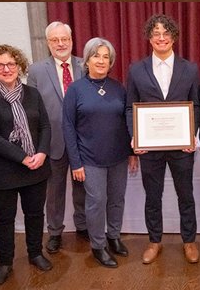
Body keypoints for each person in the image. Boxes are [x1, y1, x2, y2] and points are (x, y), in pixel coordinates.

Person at [126, 14, 200, 264]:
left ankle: (189, 241)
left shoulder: (190, 69)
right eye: (156, 33)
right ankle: (154, 241)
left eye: (166, 33)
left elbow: (196, 106)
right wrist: (135, 136)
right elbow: (129, 108)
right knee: (152, 197)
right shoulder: (136, 70)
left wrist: (192, 135)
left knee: (186, 195)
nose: (161, 38)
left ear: (174, 37)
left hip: (182, 148)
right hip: (150, 149)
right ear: (149, 38)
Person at [0, 44, 52, 284]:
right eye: (0, 65)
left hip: (36, 168)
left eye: (11, 64)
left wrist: (42, 152)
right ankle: (5, 262)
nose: (6, 69)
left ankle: (35, 253)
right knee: (4, 220)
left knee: (35, 214)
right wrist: (23, 157)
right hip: (2, 172)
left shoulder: (33, 94)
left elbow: (45, 126)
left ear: (19, 66)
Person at [63, 37, 136, 268]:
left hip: (118, 156)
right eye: (96, 56)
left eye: (106, 57)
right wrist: (75, 163)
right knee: (96, 202)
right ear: (87, 60)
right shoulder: (75, 89)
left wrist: (132, 152)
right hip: (89, 159)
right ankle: (98, 245)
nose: (101, 61)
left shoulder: (118, 88)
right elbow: (68, 127)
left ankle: (113, 236)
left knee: (116, 199)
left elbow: (127, 122)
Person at [25, 21, 87, 254]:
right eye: (55, 40)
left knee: (83, 187)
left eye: (65, 39)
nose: (61, 44)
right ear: (48, 43)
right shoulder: (36, 71)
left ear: (71, 40)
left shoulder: (86, 65)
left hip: (83, 141)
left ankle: (83, 225)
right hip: (53, 142)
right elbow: (32, 110)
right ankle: (54, 232)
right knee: (54, 191)